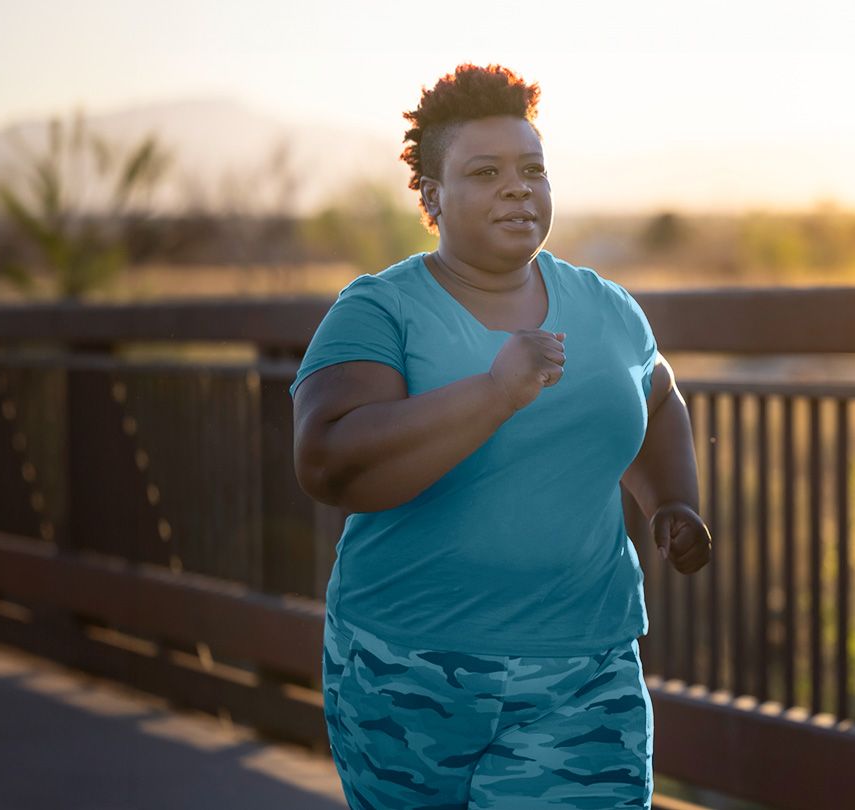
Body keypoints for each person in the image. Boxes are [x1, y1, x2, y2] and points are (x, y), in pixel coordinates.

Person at [289, 63, 712, 810]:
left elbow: (656, 393)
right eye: (485, 171)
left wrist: (671, 501)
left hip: (585, 666)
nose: (518, 187)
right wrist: (492, 394)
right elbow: (327, 461)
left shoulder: (606, 306)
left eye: (532, 169)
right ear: (431, 197)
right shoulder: (379, 310)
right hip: (408, 666)